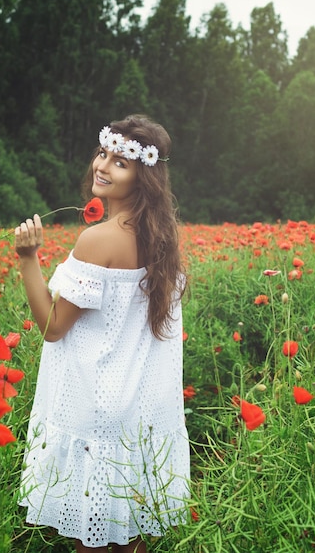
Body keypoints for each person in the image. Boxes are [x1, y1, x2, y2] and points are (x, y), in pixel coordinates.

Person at [15, 115, 190, 552]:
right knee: (132, 543)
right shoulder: (163, 239)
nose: (103, 166)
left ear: (144, 175)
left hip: (94, 413)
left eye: (121, 162)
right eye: (102, 153)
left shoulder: (98, 240)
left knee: (90, 545)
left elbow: (53, 328)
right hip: (141, 417)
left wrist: (28, 258)